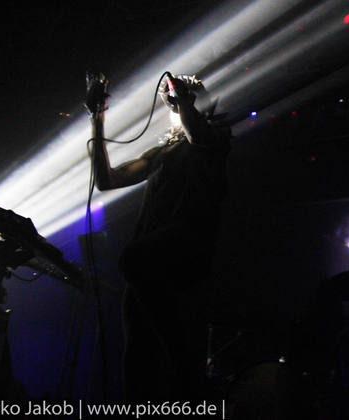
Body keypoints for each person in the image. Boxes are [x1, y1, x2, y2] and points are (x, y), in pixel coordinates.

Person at [88, 73, 232, 405]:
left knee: (132, 259)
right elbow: (108, 180)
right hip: (151, 255)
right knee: (135, 354)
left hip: (185, 245)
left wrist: (184, 101)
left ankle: (185, 370)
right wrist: (97, 118)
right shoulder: (163, 150)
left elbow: (199, 136)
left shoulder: (216, 136)